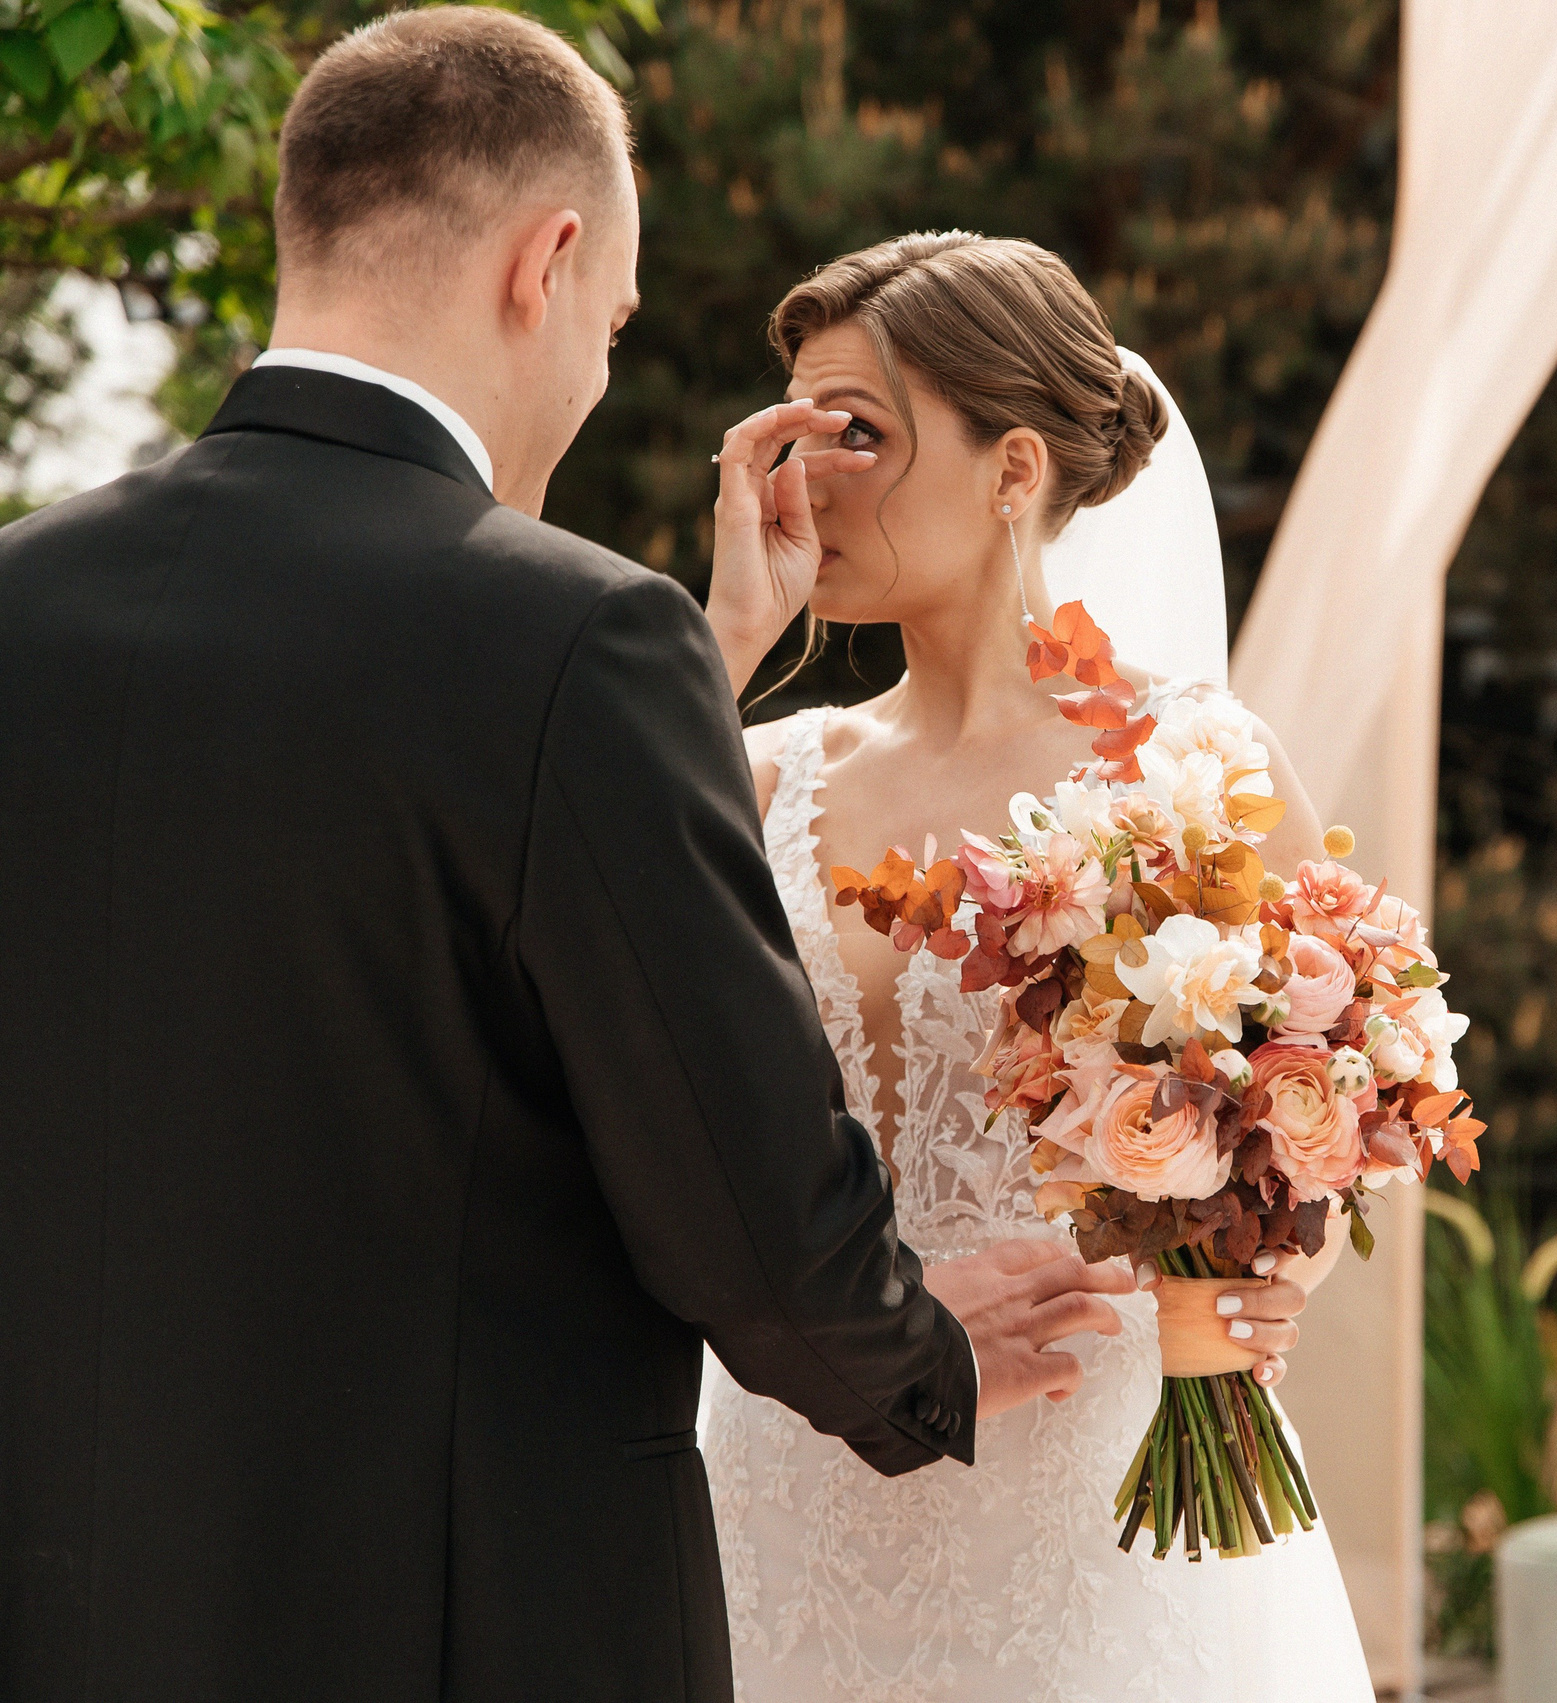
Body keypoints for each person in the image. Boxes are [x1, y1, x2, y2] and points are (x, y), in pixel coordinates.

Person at [0, 16, 1127, 1700]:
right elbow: (722, 1152)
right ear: (552, 261)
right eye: (611, 325)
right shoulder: (578, 633)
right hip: (467, 1614)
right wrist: (910, 1351)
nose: (599, 377)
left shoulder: (24, 602)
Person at [695, 231, 1374, 1701]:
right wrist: (724, 642)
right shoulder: (744, 772)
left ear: (1014, 470)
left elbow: (1336, 1087)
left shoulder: (1194, 768)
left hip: (1099, 1502)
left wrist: (1279, 1266)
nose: (809, 479)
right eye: (794, 435)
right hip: (789, 1489)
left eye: (860, 434)